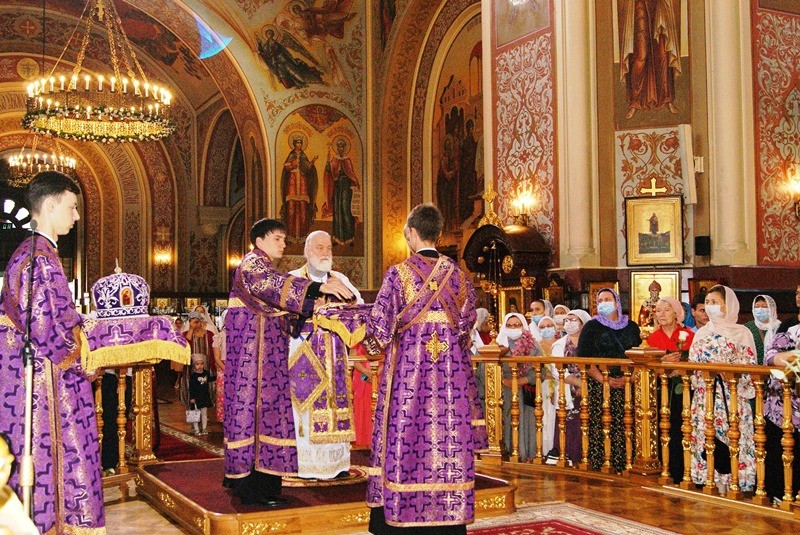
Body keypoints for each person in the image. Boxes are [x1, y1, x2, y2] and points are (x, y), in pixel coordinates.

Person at [363, 204, 486, 533]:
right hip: (449, 381)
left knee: (407, 437)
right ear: (439, 233)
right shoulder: (458, 276)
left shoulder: (398, 274)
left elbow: (379, 329)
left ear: (411, 233)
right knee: (447, 439)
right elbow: (466, 327)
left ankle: (402, 516)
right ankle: (448, 520)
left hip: (408, 378)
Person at [0, 171, 104, 532]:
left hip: (26, 371)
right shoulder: (39, 257)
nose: (76, 216)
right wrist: (90, 354)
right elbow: (47, 326)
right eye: (71, 207)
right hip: (42, 381)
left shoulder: (34, 252)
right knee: (49, 456)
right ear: (49, 205)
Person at [223, 218, 353, 507]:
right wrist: (318, 289)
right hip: (253, 360)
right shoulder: (253, 264)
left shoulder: (265, 266)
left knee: (264, 417)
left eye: (284, 239)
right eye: (278, 239)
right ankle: (254, 490)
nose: (283, 244)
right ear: (260, 241)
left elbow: (281, 310)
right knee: (257, 416)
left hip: (266, 357)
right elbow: (275, 287)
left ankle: (253, 485)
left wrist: (315, 306)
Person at [288, 230, 362, 479]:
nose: (325, 252)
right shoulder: (295, 279)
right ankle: (307, 465)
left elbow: (358, 308)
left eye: (329, 248)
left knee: (335, 404)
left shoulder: (340, 279)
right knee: (305, 407)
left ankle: (337, 465)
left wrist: (344, 304)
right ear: (307, 251)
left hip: (335, 353)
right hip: (303, 352)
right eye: (320, 247)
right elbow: (284, 313)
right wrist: (312, 308)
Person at [688, 285, 756, 493]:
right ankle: (711, 481)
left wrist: (731, 373)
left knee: (733, 438)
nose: (710, 307)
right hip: (706, 397)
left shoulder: (742, 333)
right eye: (707, 303)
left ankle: (735, 482)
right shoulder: (701, 333)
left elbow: (750, 367)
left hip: (732, 396)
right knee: (707, 438)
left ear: (728, 306)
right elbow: (693, 364)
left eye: (715, 302)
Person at [577, 288, 641, 472]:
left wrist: (630, 379)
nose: (603, 303)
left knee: (626, 425)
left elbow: (639, 356)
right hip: (600, 385)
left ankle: (626, 463)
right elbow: (584, 358)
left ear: (617, 302)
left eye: (607, 299)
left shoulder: (631, 326)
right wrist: (604, 379)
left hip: (627, 384)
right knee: (602, 424)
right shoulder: (591, 326)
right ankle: (602, 464)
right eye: (600, 300)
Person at [647, 297, 694, 483]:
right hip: (660, 391)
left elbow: (695, 362)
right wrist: (662, 362)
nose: (662, 314)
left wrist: (680, 368)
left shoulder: (688, 335)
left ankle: (683, 470)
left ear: (676, 313)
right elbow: (645, 366)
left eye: (666, 310)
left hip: (683, 391)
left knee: (681, 429)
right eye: (658, 311)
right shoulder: (651, 338)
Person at [619, 0, 681, 119]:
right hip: (639, 6)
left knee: (662, 54)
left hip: (659, 5)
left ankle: (666, 98)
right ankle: (635, 101)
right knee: (640, 55)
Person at [548, 309, 592, 464]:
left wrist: (587, 384)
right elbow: (558, 370)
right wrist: (579, 383)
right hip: (568, 392)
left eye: (573, 320)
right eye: (567, 320)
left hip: (590, 390)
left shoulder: (591, 343)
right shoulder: (559, 345)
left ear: (583, 323)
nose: (569, 323)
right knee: (568, 427)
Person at [762, 331, 800, 504]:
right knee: (781, 458)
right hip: (782, 411)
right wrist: (795, 356)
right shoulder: (787, 335)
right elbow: (770, 358)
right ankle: (780, 497)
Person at [497, 313, 540, 462]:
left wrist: (522, 380)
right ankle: (507, 452)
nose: (513, 328)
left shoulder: (533, 346)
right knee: (506, 420)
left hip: (526, 390)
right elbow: (487, 369)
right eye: (509, 325)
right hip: (504, 390)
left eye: (517, 325)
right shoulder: (498, 345)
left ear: (523, 326)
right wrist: (503, 381)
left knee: (525, 421)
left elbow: (540, 369)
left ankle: (524, 454)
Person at [323, 139, 361, 245]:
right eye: (339, 147)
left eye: (342, 147)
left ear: (344, 148)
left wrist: (354, 183)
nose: (340, 149)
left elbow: (351, 173)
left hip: (346, 188)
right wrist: (327, 162)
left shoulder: (347, 160)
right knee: (337, 212)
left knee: (346, 211)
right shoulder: (334, 160)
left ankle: (350, 238)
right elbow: (329, 171)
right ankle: (337, 238)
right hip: (337, 188)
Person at [282, 135, 319, 238]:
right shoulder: (291, 154)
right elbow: (285, 166)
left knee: (303, 207)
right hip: (292, 182)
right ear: (294, 144)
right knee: (291, 207)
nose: (299, 144)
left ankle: (303, 234)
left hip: (302, 182)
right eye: (298, 143)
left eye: (300, 143)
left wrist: (313, 161)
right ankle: (290, 234)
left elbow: (307, 168)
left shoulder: (303, 156)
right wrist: (293, 164)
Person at [181, 311, 219, 408]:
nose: (196, 324)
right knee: (192, 386)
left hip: (206, 364)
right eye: (193, 322)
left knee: (205, 387)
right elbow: (185, 346)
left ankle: (204, 409)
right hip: (191, 366)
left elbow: (214, 350)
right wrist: (191, 329)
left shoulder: (209, 334)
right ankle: (192, 407)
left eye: (197, 322)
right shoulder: (185, 334)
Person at [536, 316, 559, 457]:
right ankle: (543, 450)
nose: (546, 329)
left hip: (560, 385)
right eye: (542, 327)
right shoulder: (535, 346)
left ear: (555, 328)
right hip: (542, 386)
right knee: (543, 417)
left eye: (549, 326)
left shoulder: (561, 344)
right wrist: (546, 374)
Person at [744, 295, 781, 366]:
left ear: (772, 308)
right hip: (753, 368)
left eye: (764, 306)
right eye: (756, 306)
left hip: (776, 368)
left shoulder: (780, 327)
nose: (760, 309)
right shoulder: (747, 327)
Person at [188, 354, 212, 435]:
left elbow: (209, 379)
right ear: (194, 366)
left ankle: (204, 428)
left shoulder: (205, 373)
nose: (200, 366)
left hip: (204, 396)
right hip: (196, 397)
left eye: (201, 364)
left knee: (204, 413)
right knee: (195, 414)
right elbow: (191, 388)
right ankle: (196, 429)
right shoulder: (193, 376)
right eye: (197, 364)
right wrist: (192, 398)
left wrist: (218, 377)